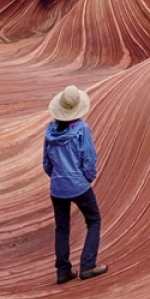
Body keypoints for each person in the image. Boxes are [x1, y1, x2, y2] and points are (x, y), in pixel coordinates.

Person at [43, 85, 106, 284]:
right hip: (78, 184)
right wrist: (87, 178)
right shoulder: (81, 129)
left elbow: (46, 162)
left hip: (57, 187)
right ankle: (87, 266)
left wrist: (57, 177)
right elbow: (89, 158)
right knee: (94, 220)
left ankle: (63, 271)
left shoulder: (50, 131)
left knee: (61, 228)